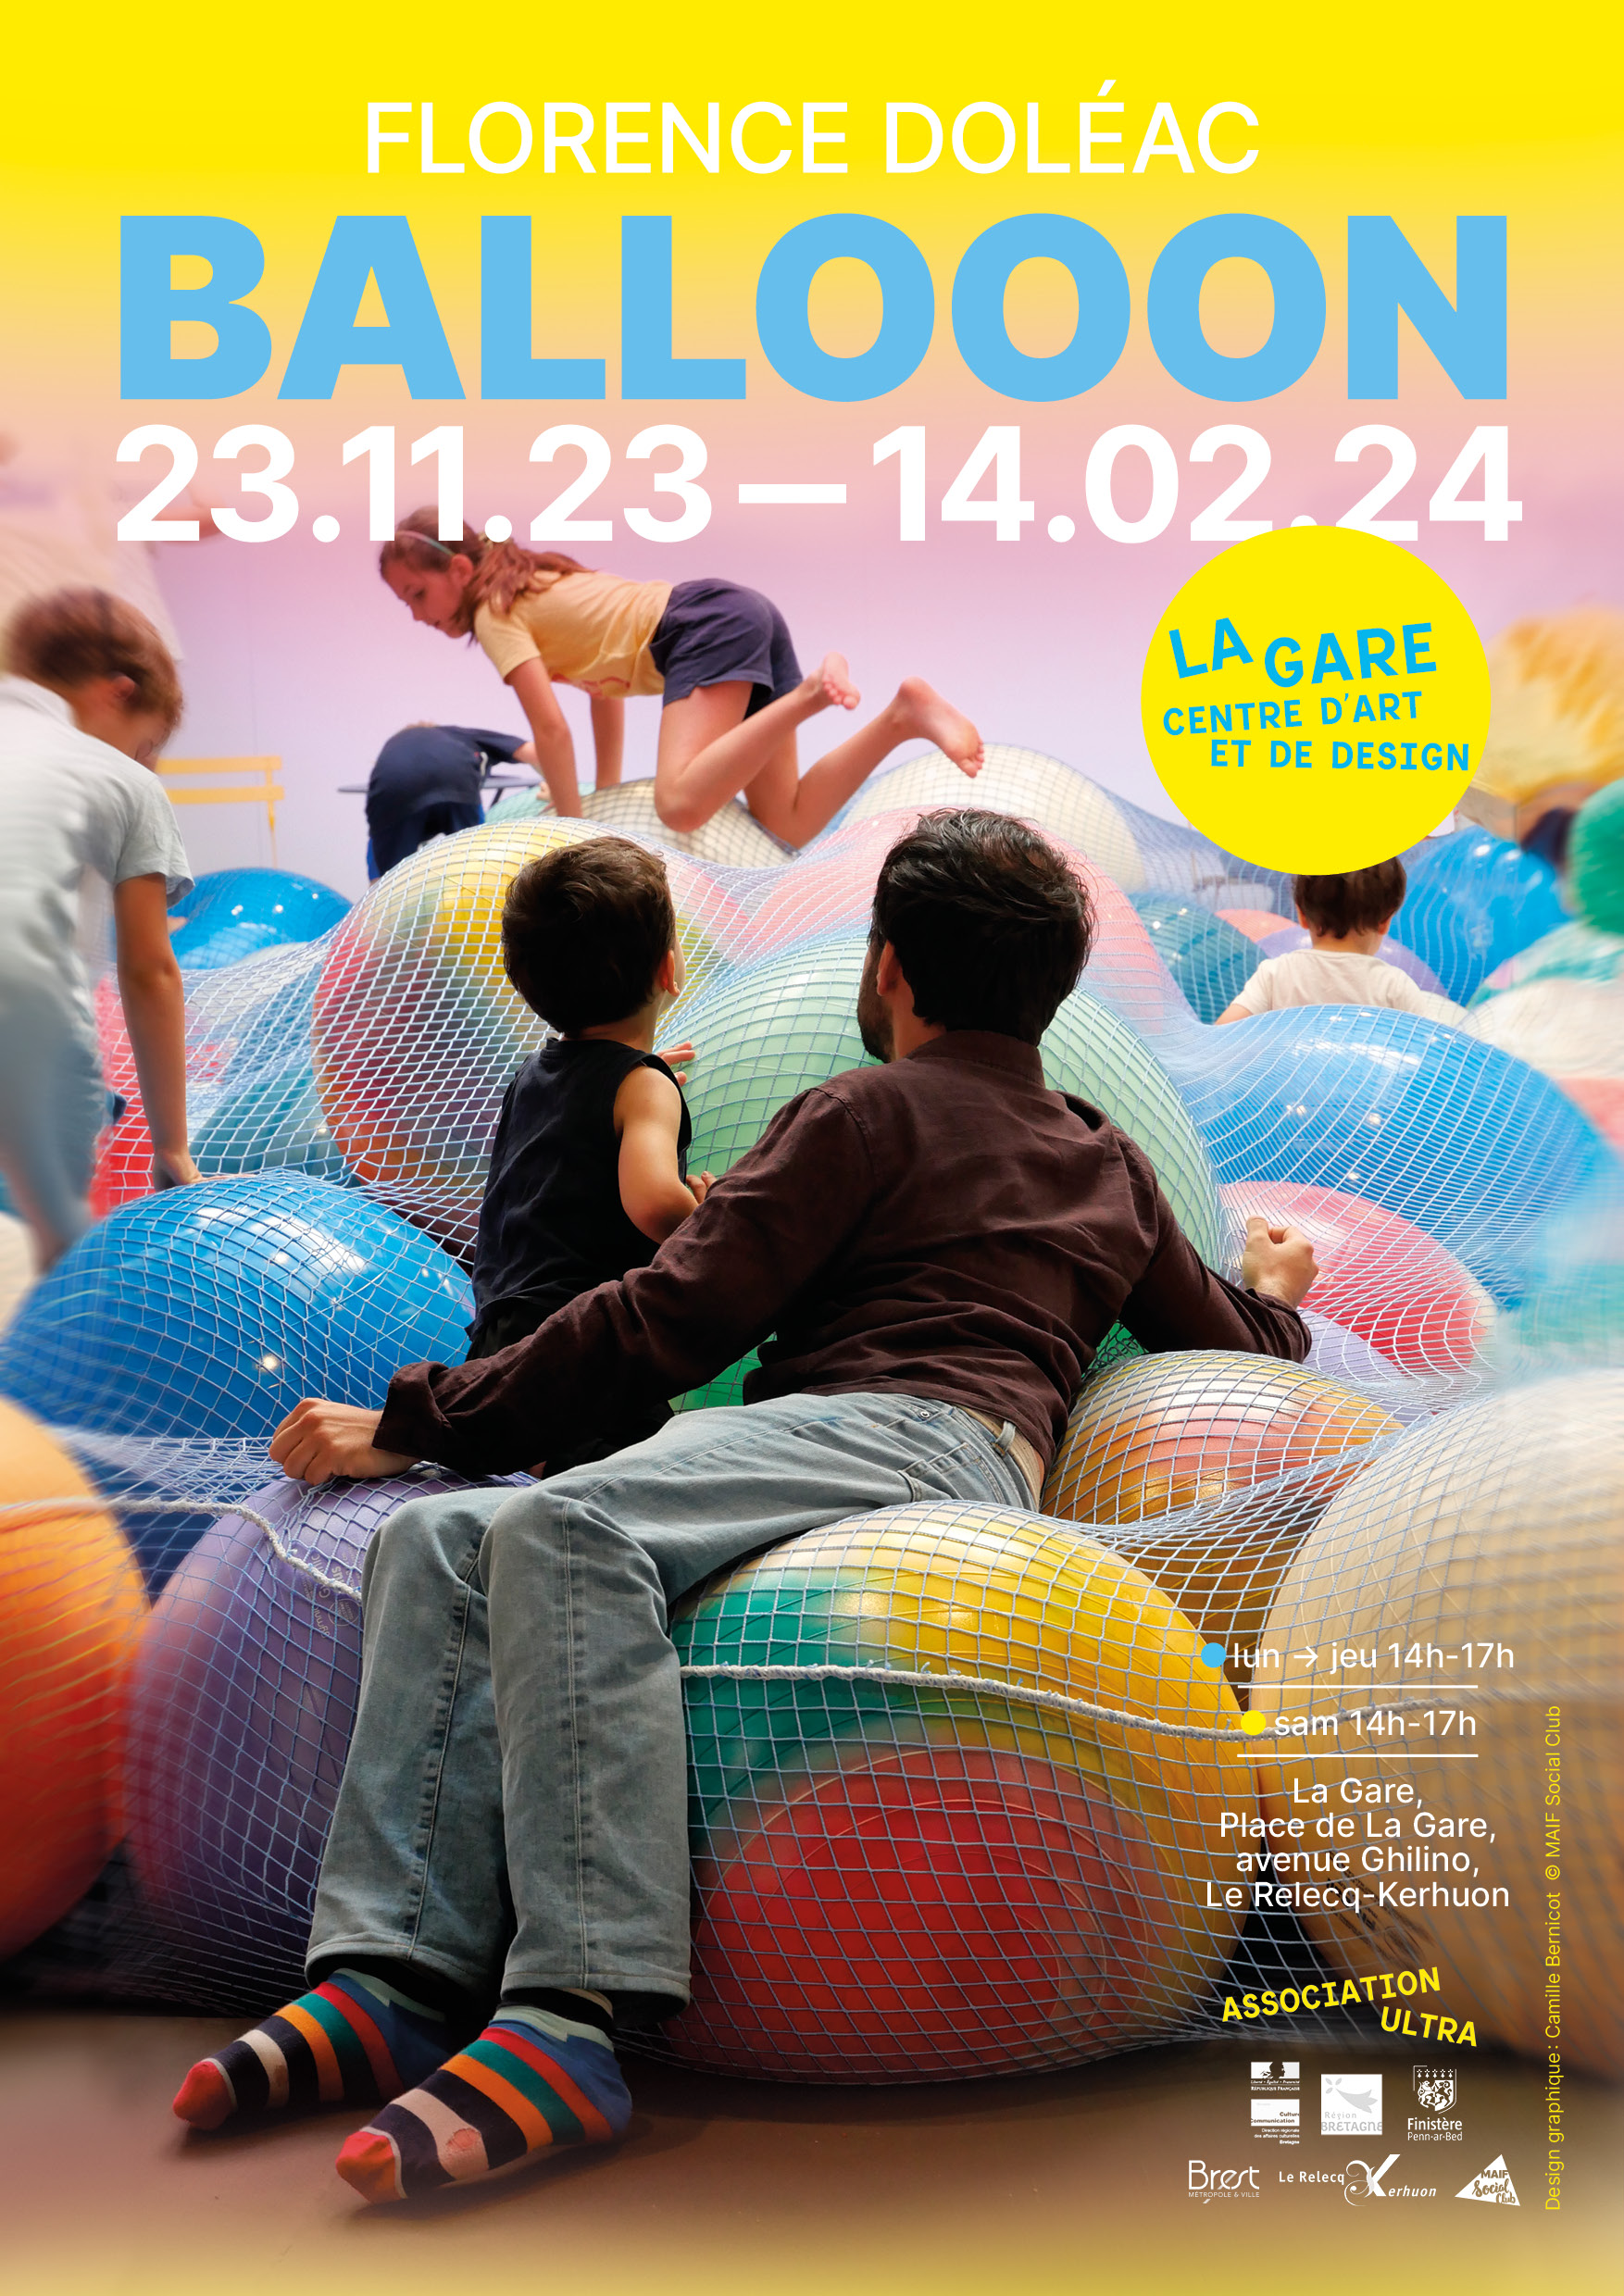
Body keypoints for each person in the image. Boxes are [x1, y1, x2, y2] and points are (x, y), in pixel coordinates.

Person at [175, 810, 1318, 2202]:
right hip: (926, 1456)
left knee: (560, 1527)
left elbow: (663, 1315)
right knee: (436, 1539)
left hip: (894, 1438)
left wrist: (418, 1415)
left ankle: (573, 2012)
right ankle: (392, 1973)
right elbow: (1231, 1341)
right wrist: (1276, 1292)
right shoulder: (1109, 1159)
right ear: (1051, 991)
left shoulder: (855, 1111)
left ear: (888, 970)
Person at [378, 510, 985, 848]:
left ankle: (810, 696)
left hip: (702, 626)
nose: (415, 615)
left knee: (678, 805)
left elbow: (551, 730)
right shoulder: (532, 585)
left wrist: (573, 832)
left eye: (417, 593)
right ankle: (901, 715)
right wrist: (604, 793)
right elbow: (601, 696)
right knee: (790, 822)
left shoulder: (495, 614)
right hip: (735, 614)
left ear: (461, 571)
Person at [466, 835, 713, 1467]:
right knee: (649, 1477)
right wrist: (708, 1217)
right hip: (581, 1347)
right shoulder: (643, 1088)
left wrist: (632, 1075)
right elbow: (652, 1203)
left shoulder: (531, 1075)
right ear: (668, 970)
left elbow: (575, 1141)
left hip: (498, 1338)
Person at [0, 588, 196, 1267]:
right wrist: (171, 1147)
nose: (145, 763)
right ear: (117, 693)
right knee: (59, 1269)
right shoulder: (122, 782)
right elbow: (149, 971)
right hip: (29, 1046)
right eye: (146, 745)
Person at [1214, 861, 1460, 1023]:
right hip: (1368, 1091)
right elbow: (1436, 1051)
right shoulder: (1394, 986)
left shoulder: (1275, 974)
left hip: (1288, 1089)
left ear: (1301, 914)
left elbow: (1223, 1031)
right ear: (1385, 922)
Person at [364, 722, 535, 880]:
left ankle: (381, 900)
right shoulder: (458, 734)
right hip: (456, 776)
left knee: (387, 881)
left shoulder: (393, 751)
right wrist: (549, 784)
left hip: (394, 784)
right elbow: (532, 750)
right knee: (476, 863)